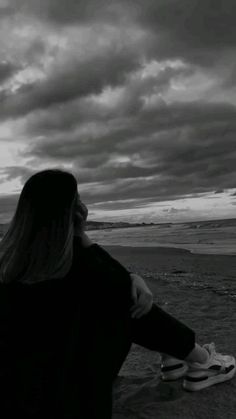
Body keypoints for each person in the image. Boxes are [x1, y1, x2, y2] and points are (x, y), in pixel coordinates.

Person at [0, 169, 235, 419]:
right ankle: (201, 361)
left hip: (18, 398)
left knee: (115, 295)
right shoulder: (92, 271)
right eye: (77, 201)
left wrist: (130, 278)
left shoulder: (9, 271)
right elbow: (111, 278)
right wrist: (127, 275)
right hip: (71, 405)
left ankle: (177, 357)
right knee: (128, 301)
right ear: (73, 213)